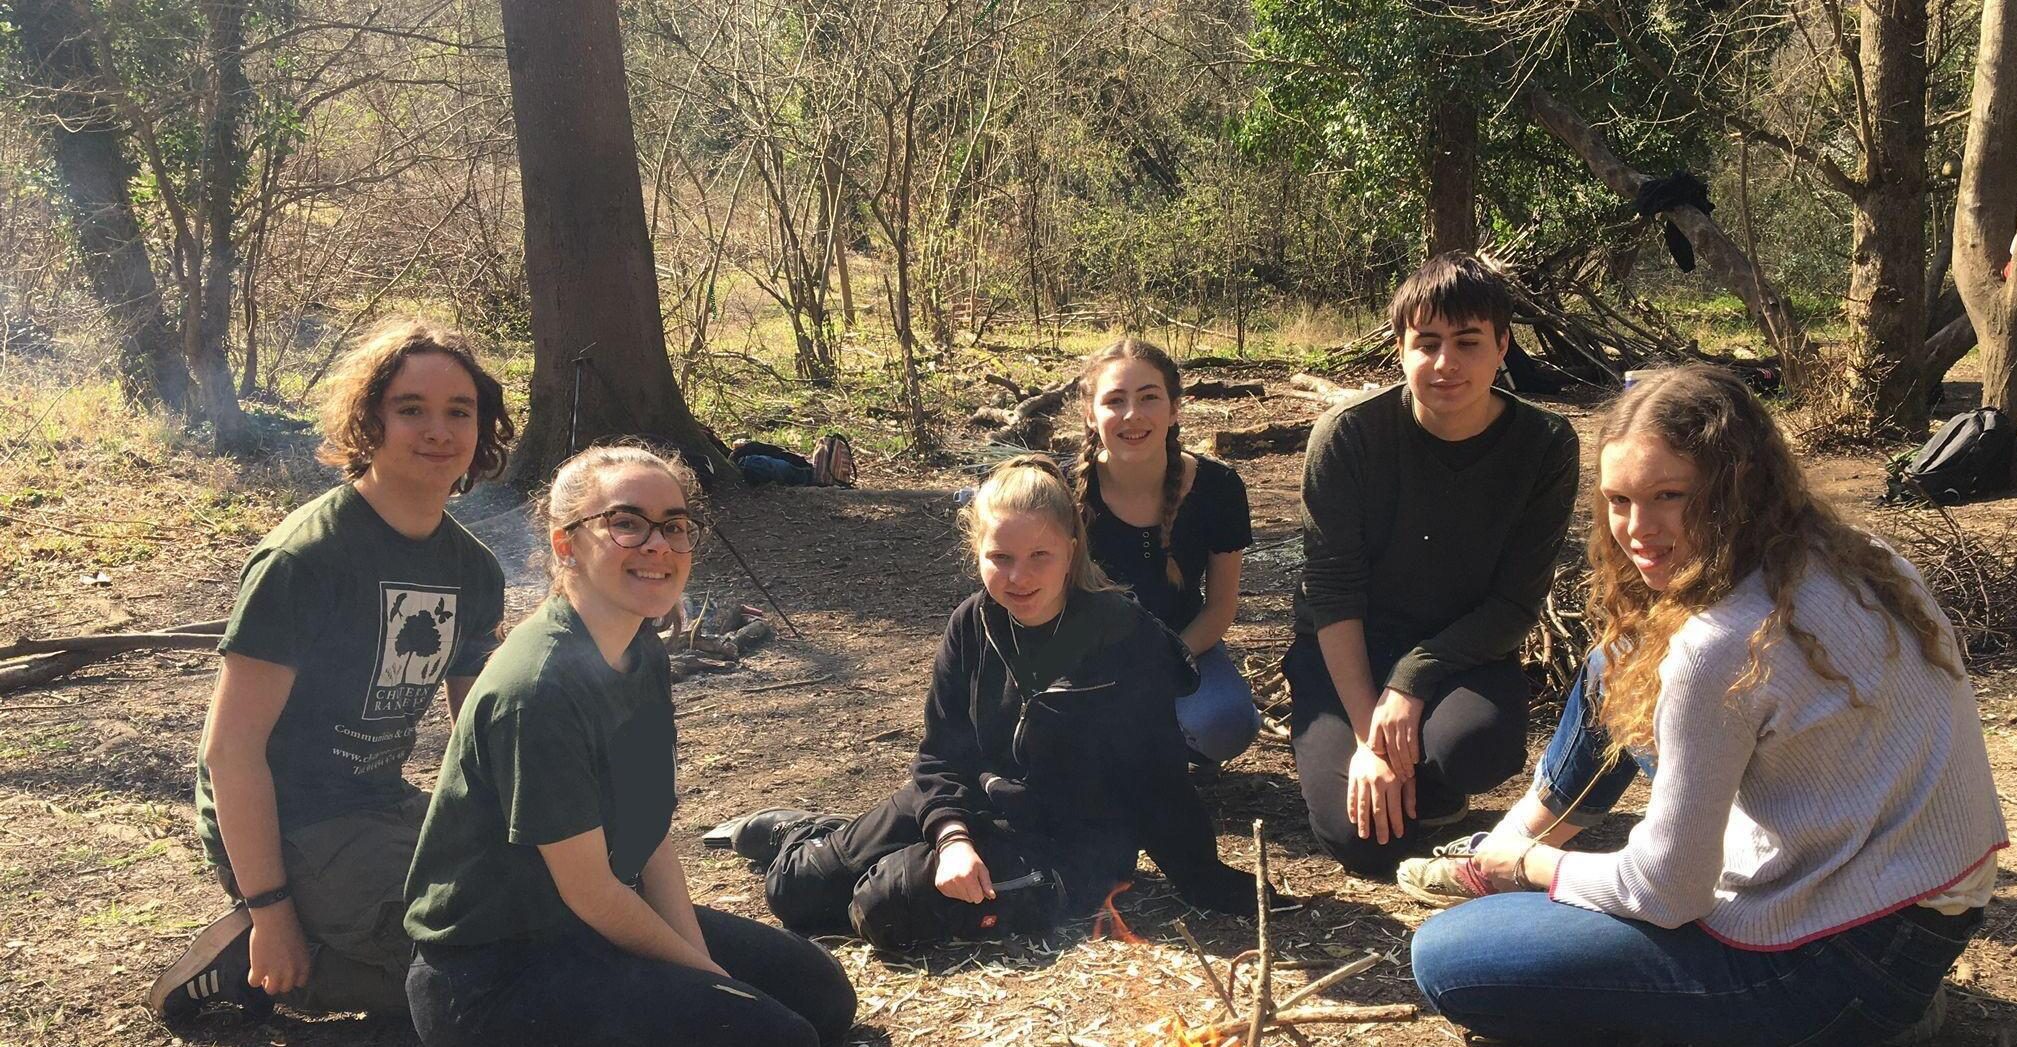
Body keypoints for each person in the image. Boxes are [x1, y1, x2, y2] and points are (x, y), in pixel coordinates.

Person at [1404, 364, 2006, 1046]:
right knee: (1624, 652)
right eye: (1618, 499)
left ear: (1737, 486)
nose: (1637, 530)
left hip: (1836, 967)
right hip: (1927, 914)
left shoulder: (1719, 643)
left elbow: (1666, 893)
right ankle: (1521, 833)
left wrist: (1528, 868)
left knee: (1451, 955)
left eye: (1668, 495)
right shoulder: (1865, 557)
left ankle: (1509, 855)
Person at [707, 456, 1260, 952]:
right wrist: (951, 837)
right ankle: (809, 835)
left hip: (1063, 846)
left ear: (1071, 548)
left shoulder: (1124, 637)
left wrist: (1208, 879)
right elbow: (939, 754)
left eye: (1040, 555)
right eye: (1001, 556)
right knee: (793, 891)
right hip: (969, 802)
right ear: (977, 551)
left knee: (884, 908)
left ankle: (870, 858)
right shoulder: (972, 623)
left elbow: (1159, 776)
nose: (1019, 577)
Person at [402, 445, 856, 1047]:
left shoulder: (640, 650)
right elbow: (591, 891)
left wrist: (707, 976)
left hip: (586, 931)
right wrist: (716, 987)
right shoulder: (537, 690)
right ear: (567, 544)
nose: (658, 544)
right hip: (495, 978)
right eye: (626, 522)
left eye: (674, 525)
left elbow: (650, 835)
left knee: (821, 994)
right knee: (781, 1038)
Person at [148, 319, 514, 1021]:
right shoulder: (303, 561)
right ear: (370, 419)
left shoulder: (472, 570)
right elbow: (230, 752)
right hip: (286, 822)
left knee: (535, 924)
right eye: (411, 409)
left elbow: (481, 736)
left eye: (458, 412)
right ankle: (261, 964)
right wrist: (271, 910)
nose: (438, 429)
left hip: (381, 802)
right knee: (473, 978)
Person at [1287, 251, 1579, 877]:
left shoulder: (1546, 446)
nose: (1445, 364)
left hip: (1462, 648)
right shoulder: (1348, 437)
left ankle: (1431, 777)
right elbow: (1333, 591)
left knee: (1476, 750)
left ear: (1503, 347)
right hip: (1349, 648)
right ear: (1400, 350)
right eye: (1427, 343)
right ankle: (1387, 768)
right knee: (1360, 843)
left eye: (1468, 342)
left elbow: (1515, 604)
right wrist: (1371, 735)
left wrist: (1411, 683)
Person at [1073, 337, 1262, 764]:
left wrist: (1161, 664)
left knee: (1226, 721)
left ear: (1175, 408)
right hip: (1086, 656)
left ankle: (1161, 749)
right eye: (1115, 401)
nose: (1132, 415)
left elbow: (1219, 609)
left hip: (1185, 646)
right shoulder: (1064, 492)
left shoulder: (1218, 488)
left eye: (1149, 398)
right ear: (1091, 413)